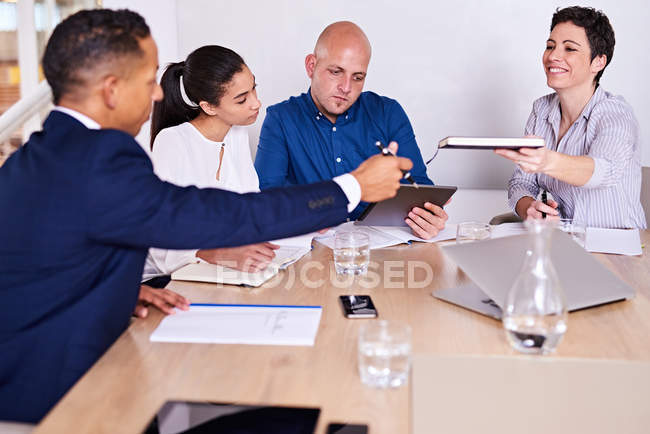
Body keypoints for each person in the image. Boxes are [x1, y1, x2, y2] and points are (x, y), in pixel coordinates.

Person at [0, 9, 411, 423]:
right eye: (148, 82)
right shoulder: (101, 161)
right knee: (301, 411)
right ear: (111, 90)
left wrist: (118, 288)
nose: (159, 94)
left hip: (58, 365)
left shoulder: (38, 156)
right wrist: (353, 186)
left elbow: (48, 259)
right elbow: (226, 213)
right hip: (55, 398)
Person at [254, 21, 449, 239]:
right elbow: (266, 201)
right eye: (336, 72)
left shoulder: (388, 112)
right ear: (311, 66)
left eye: (358, 77)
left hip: (384, 250)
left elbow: (419, 187)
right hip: (314, 252)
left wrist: (428, 216)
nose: (346, 88)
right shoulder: (281, 119)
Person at [495, 6, 646, 229]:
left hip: (617, 250)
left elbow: (603, 171)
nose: (553, 56)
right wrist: (528, 208)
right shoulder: (541, 110)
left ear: (598, 62)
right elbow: (521, 182)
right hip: (562, 244)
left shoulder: (616, 113)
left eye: (569, 49)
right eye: (550, 46)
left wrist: (547, 161)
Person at [142, 45, 278, 287]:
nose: (256, 103)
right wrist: (217, 253)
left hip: (213, 271)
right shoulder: (173, 142)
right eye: (242, 99)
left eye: (254, 88)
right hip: (163, 278)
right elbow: (160, 238)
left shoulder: (236, 133)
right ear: (208, 106)